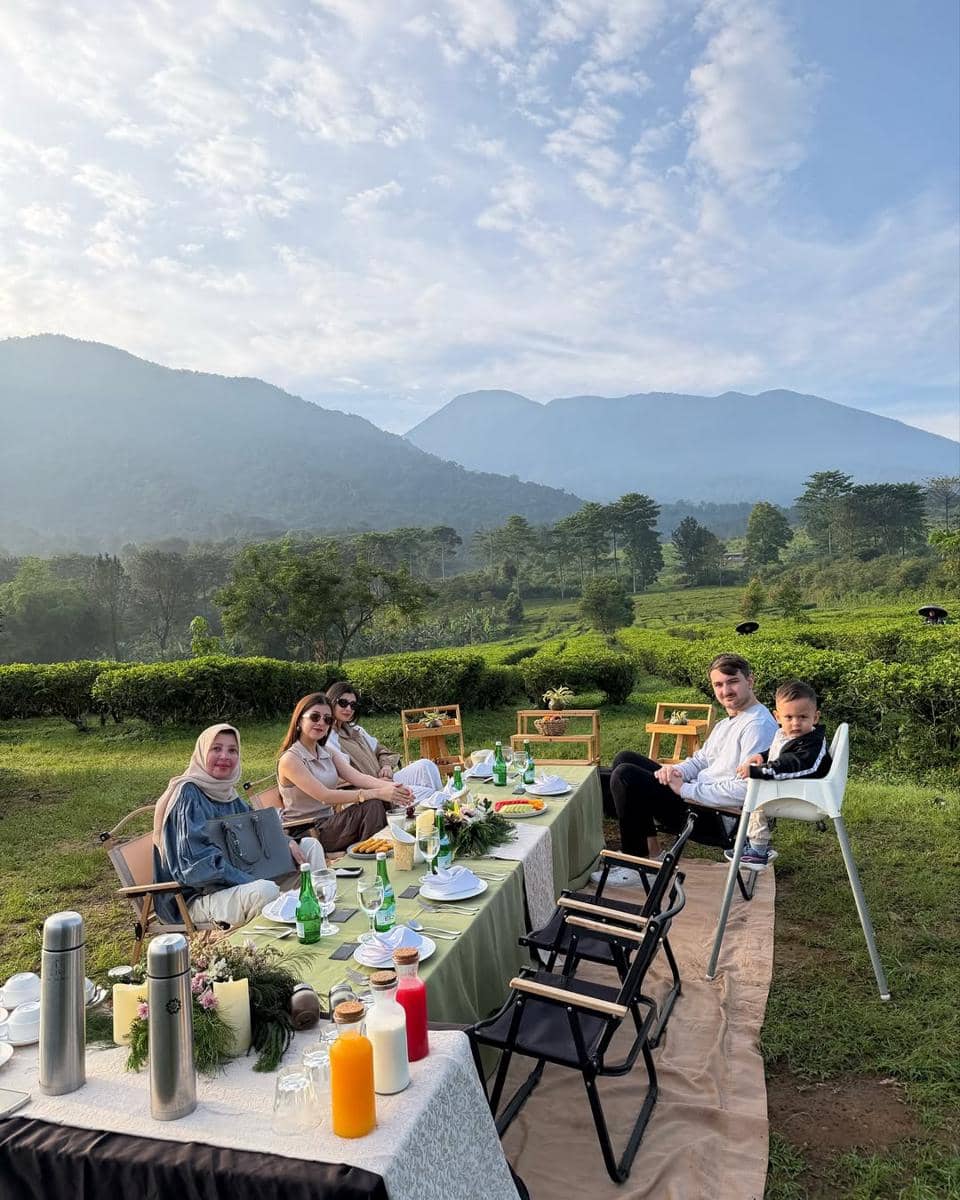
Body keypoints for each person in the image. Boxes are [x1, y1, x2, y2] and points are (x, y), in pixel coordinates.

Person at [594, 654, 779, 886]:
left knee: (625, 777)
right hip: (698, 797)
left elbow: (747, 790)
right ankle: (652, 854)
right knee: (624, 759)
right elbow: (701, 760)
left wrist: (686, 790)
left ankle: (638, 862)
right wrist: (675, 771)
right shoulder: (728, 722)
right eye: (718, 685)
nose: (726, 690)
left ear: (750, 681)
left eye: (732, 681)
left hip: (718, 816)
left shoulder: (757, 725)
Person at [152, 723, 326, 927]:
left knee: (309, 847)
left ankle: (319, 915)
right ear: (201, 752)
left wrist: (286, 841)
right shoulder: (188, 795)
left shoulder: (228, 793)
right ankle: (275, 946)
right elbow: (196, 868)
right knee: (264, 891)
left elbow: (258, 829)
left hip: (236, 881)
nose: (225, 756)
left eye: (232, 750)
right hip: (193, 899)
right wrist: (249, 880)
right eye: (216, 749)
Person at [278, 693, 414, 852]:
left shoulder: (325, 751)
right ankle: (373, 855)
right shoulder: (290, 759)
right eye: (315, 717)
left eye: (327, 719)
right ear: (300, 720)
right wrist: (377, 792)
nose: (321, 723)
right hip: (307, 832)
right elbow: (325, 796)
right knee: (373, 805)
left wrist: (394, 787)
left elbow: (358, 777)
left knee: (381, 801)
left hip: (329, 823)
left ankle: (384, 850)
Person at [725, 679, 832, 868]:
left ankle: (758, 850)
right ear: (777, 717)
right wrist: (762, 756)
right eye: (789, 717)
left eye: (803, 717)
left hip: (807, 794)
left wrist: (760, 771)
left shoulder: (812, 742)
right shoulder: (785, 734)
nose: (795, 723)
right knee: (752, 790)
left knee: (756, 796)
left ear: (815, 717)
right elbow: (778, 752)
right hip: (791, 787)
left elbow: (796, 764)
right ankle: (753, 840)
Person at [326, 680, 444, 801]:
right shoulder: (328, 739)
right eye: (343, 703)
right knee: (429, 794)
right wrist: (377, 784)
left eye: (353, 705)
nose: (348, 708)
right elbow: (340, 778)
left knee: (426, 765)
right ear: (331, 702)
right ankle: (439, 807)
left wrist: (386, 766)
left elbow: (381, 750)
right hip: (370, 792)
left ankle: (439, 811)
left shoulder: (356, 730)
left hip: (385, 779)